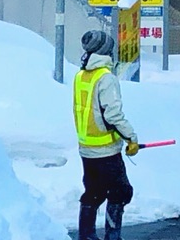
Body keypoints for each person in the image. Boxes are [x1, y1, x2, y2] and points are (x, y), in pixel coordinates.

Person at [74, 26, 140, 240]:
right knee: (121, 192)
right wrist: (131, 138)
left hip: (87, 149)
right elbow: (113, 116)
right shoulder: (106, 78)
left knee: (93, 193)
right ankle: (113, 237)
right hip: (106, 151)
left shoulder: (81, 76)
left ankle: (86, 236)